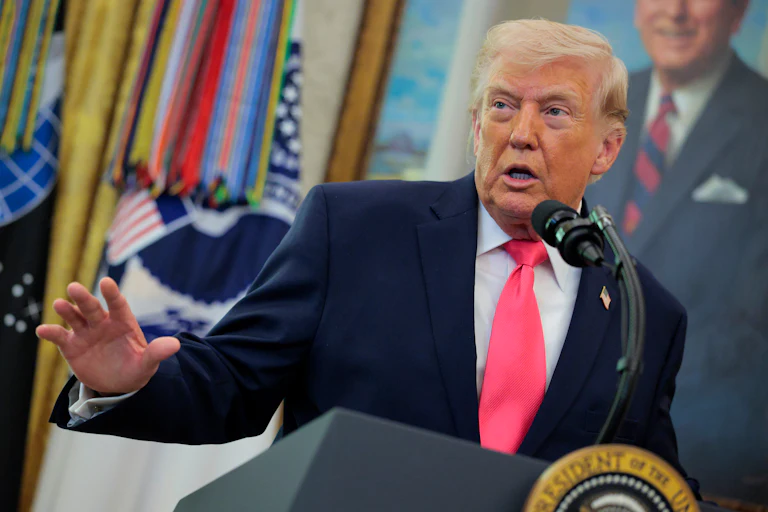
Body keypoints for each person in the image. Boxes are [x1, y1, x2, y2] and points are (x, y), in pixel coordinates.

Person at [40, 20, 700, 495]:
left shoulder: (645, 313)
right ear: (476, 125)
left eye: (555, 112)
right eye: (502, 106)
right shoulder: (353, 229)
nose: (521, 133)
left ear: (607, 149)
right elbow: (234, 385)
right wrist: (124, 381)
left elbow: (647, 483)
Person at [585, 0, 768, 500]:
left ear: (737, 13)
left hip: (702, 444)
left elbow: (756, 317)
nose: (676, 11)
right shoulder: (593, 101)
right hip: (569, 427)